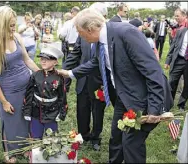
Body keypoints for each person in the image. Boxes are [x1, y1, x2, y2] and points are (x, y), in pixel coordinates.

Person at [58, 8, 173, 163]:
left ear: (90, 29)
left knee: (131, 144)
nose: (80, 37)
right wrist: (70, 73)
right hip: (123, 97)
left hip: (142, 99)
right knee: (116, 137)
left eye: (80, 32)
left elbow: (153, 71)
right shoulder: (102, 39)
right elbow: (97, 61)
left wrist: (154, 108)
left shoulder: (126, 33)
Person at [0, 6, 40, 163]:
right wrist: (4, 101)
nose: (14, 28)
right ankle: (10, 152)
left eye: (14, 24)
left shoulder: (16, 37)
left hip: (27, 86)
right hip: (9, 90)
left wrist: (41, 74)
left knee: (26, 118)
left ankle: (26, 147)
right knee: (11, 121)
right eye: (11, 26)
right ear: (1, 25)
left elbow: (27, 60)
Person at [63, 2, 115, 151]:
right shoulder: (82, 35)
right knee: (82, 108)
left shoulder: (107, 36)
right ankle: (83, 134)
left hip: (99, 81)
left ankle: (95, 137)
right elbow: (75, 54)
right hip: (82, 80)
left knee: (97, 111)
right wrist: (64, 69)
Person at [22, 44, 68, 139]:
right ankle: (36, 153)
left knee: (51, 139)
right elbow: (29, 94)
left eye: (47, 59)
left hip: (52, 113)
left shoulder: (59, 78)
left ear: (55, 62)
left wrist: (61, 113)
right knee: (35, 137)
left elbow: (62, 97)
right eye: (42, 58)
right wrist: (27, 111)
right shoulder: (35, 75)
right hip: (36, 112)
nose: (43, 61)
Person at [165, 26, 188, 112]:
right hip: (179, 60)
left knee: (187, 85)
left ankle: (181, 104)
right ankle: (168, 104)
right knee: (171, 82)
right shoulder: (180, 32)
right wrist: (167, 61)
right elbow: (172, 47)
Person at [59, 6, 80, 93]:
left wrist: (61, 38)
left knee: (67, 66)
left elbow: (62, 35)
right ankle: (79, 86)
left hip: (70, 46)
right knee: (80, 65)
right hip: (80, 46)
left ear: (72, 12)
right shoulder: (82, 22)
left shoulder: (68, 23)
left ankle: (66, 87)